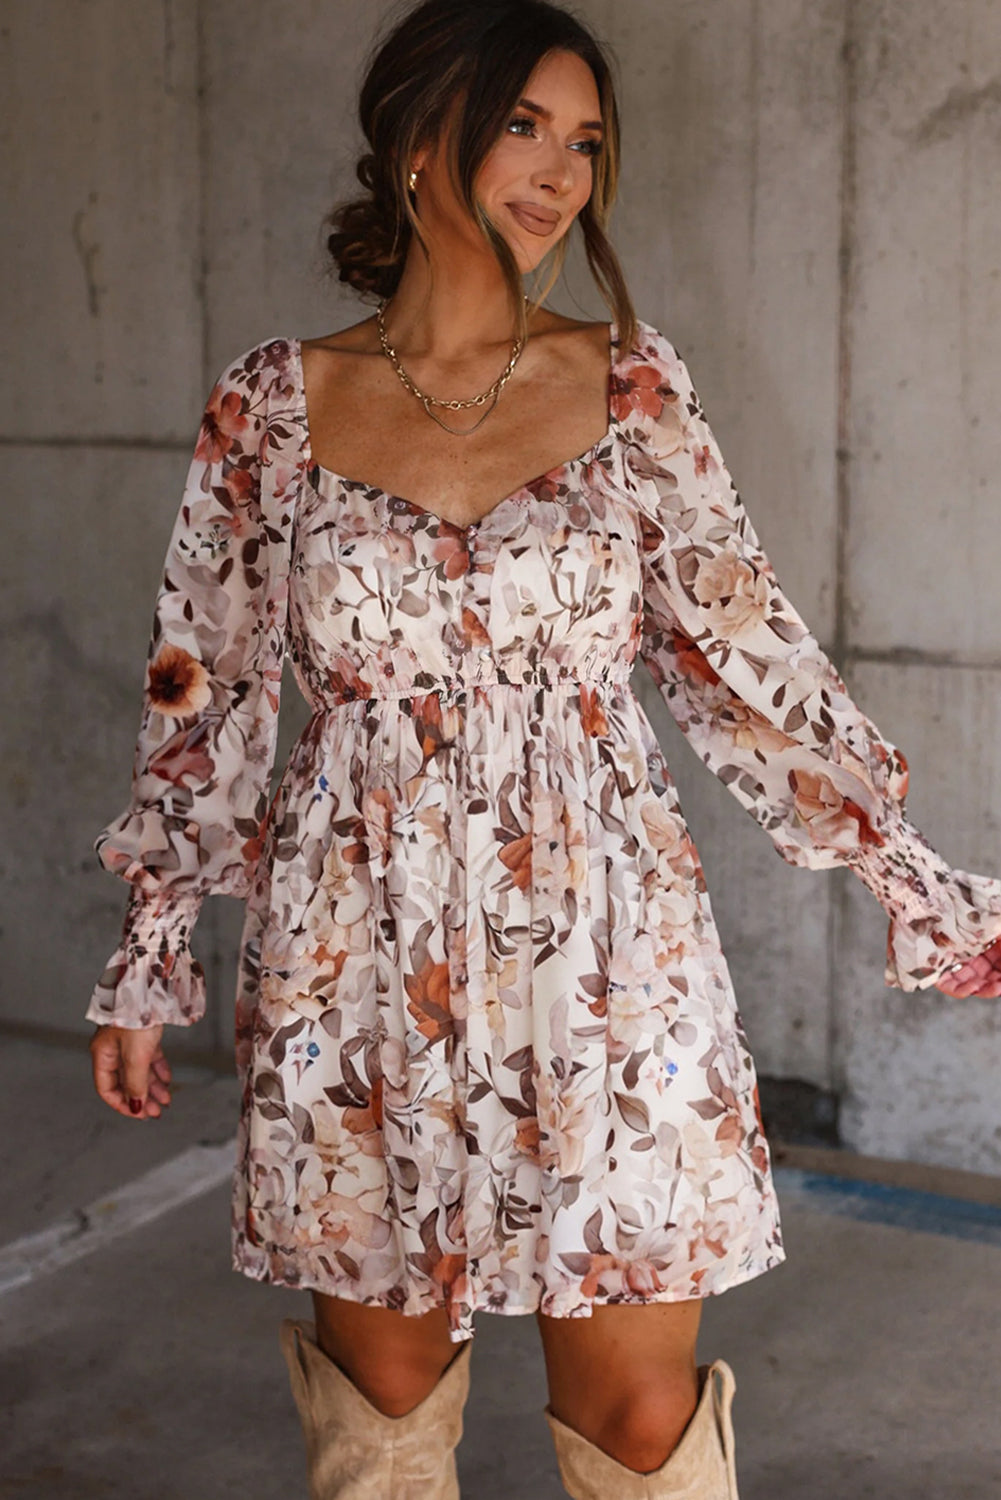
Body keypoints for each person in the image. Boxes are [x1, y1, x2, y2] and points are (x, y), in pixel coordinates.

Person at [85, 2, 1001, 1497]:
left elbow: (744, 655)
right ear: (414, 142)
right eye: (524, 126)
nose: (562, 173)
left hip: (607, 950)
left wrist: (906, 873)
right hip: (352, 948)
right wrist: (150, 945)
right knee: (378, 1421)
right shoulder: (272, 405)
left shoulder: (630, 387)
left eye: (584, 143)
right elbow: (207, 692)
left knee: (640, 1426)